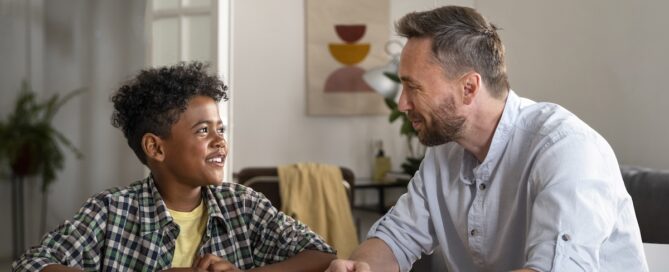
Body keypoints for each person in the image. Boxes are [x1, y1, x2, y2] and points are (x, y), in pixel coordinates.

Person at [327, 5, 648, 272]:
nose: (402, 103)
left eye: (414, 87)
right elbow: (397, 237)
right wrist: (360, 267)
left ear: (468, 88)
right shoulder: (444, 154)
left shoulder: (566, 148)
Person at [12, 62, 337, 271]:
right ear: (156, 147)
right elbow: (31, 265)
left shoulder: (243, 205)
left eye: (220, 129)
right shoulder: (111, 212)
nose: (220, 141)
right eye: (203, 131)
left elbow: (322, 255)